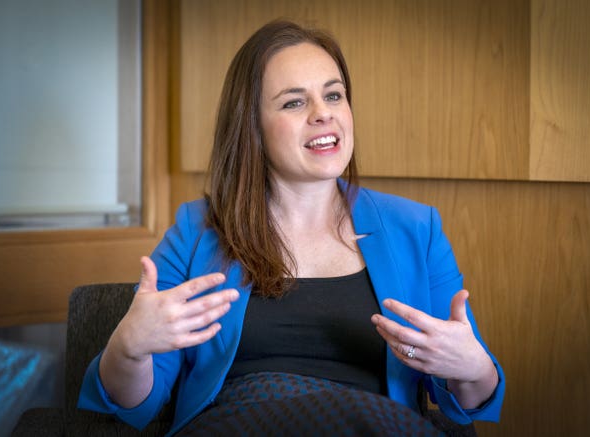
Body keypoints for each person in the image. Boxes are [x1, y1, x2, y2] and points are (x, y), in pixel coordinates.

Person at [78, 19, 505, 436]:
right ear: (252, 127)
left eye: (334, 96)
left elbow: (467, 402)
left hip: (376, 425)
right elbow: (136, 403)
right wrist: (128, 347)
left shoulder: (417, 228)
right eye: (294, 102)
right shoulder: (195, 230)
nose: (323, 114)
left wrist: (473, 367)